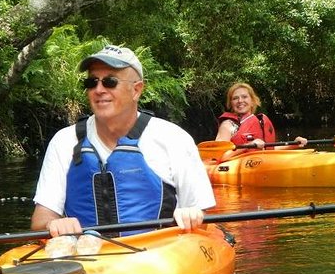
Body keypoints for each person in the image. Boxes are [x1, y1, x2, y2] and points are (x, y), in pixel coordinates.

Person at [31, 44, 215, 238]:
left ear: (136, 90)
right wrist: (54, 224)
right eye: (92, 82)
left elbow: (201, 214)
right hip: (86, 256)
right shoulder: (64, 141)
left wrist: (191, 215)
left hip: (159, 257)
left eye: (110, 82)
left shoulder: (173, 139)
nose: (99, 89)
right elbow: (41, 219)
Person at [215, 82, 307, 159]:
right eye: (235, 98)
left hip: (260, 164)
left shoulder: (260, 123)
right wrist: (248, 145)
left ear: (252, 101)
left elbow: (269, 149)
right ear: (231, 103)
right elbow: (220, 156)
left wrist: (294, 144)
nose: (240, 101)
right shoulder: (228, 125)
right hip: (238, 170)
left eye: (244, 97)